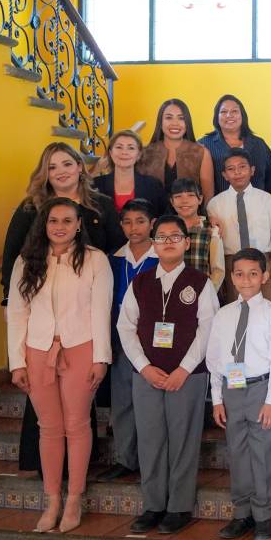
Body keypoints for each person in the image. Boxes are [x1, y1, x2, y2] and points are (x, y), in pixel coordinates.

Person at [1, 142, 120, 474]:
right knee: (45, 408)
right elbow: (13, 258)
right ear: (45, 173)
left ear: (80, 167)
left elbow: (117, 247)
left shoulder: (100, 207)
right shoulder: (30, 209)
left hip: (86, 309)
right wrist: (8, 300)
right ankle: (45, 465)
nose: (61, 172)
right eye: (52, 167)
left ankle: (81, 464)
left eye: (67, 164)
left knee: (80, 405)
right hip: (41, 316)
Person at [7, 198, 113, 533]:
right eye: (54, 220)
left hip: (81, 348)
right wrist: (16, 361)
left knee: (77, 425)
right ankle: (52, 498)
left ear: (79, 224)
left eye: (68, 220)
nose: (60, 227)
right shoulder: (27, 261)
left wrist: (101, 357)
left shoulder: (95, 260)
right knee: (49, 427)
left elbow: (101, 311)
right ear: (45, 224)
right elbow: (17, 313)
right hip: (37, 350)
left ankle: (74, 499)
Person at [119, 215, 220, 535]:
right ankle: (153, 504)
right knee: (150, 440)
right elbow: (125, 327)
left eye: (174, 236)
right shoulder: (141, 282)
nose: (167, 242)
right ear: (153, 243)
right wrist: (144, 366)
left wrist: (183, 369)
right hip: (146, 375)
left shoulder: (200, 282)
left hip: (186, 377)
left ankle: (178, 506)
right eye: (161, 237)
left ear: (187, 243)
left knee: (182, 441)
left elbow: (208, 330)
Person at [207, 248, 271, 540]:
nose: (246, 279)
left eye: (253, 273)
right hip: (232, 389)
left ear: (265, 276)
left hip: (260, 388)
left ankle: (264, 514)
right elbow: (214, 358)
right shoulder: (224, 314)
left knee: (263, 451)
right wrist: (217, 398)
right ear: (232, 277)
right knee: (237, 450)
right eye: (239, 274)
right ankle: (242, 512)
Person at [96, 199, 158, 483]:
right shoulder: (112, 260)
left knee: (151, 403)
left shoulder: (162, 257)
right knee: (123, 401)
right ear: (121, 225)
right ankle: (125, 458)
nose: (134, 228)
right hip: (121, 339)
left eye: (141, 221)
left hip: (155, 341)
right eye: (128, 222)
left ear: (152, 224)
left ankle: (151, 460)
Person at [206, 148, 271, 302]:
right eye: (231, 169)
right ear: (224, 175)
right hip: (230, 266)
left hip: (263, 264)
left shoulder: (267, 201)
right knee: (234, 310)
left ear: (252, 170)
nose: (237, 172)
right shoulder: (215, 204)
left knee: (266, 309)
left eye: (242, 167)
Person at [199, 95, 271, 196]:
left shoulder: (259, 144)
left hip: (256, 208)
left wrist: (260, 200)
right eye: (223, 112)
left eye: (234, 111)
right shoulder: (204, 145)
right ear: (216, 117)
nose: (229, 115)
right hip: (219, 209)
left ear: (242, 115)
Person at [139, 99, 216, 199]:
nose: (175, 123)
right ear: (160, 122)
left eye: (181, 118)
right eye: (169, 118)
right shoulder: (146, 153)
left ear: (187, 122)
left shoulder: (201, 153)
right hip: (152, 214)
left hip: (191, 213)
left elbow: (208, 196)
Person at [168, 179, 226, 291]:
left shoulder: (211, 229)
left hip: (202, 292)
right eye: (178, 196)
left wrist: (207, 293)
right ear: (172, 201)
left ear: (200, 199)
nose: (184, 201)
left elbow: (218, 270)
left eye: (190, 195)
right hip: (171, 293)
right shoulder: (166, 229)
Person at [92, 130, 167, 216]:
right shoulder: (95, 185)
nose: (124, 152)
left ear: (138, 155)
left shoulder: (153, 185)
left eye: (131, 148)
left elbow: (162, 218)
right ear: (110, 153)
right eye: (119, 147)